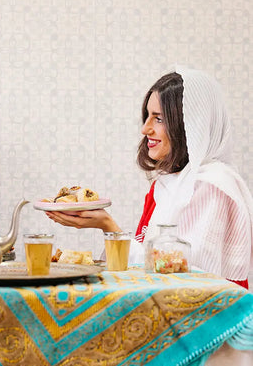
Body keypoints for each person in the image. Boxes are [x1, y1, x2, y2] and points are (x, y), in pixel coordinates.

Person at [47, 67, 253, 288]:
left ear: (190, 126)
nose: (145, 129)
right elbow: (149, 269)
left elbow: (188, 275)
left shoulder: (213, 185)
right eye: (147, 116)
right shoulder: (166, 185)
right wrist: (105, 227)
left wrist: (109, 226)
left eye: (159, 119)